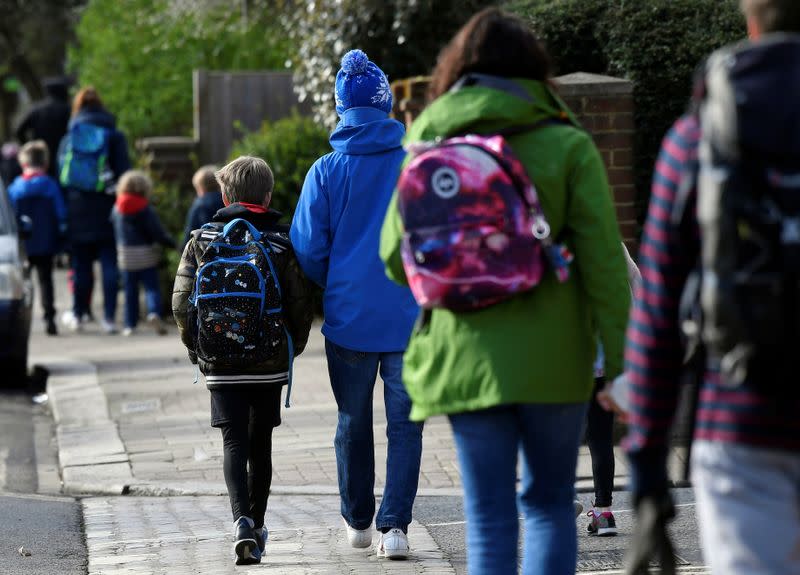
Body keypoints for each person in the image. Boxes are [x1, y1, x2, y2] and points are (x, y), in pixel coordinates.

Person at [380, 8, 631, 574]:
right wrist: (619, 363)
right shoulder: (567, 142)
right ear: (534, 70)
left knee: (489, 518)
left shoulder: (428, 137)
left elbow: (395, 259)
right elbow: (605, 269)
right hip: (556, 359)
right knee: (547, 507)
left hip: (463, 357)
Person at [623, 1, 800, 573]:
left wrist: (648, 471)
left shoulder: (696, 137)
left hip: (739, 426)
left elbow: (656, 317)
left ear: (751, 23)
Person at [290, 49, 423, 559]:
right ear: (386, 105)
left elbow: (307, 248)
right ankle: (395, 528)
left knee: (352, 420)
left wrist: (336, 283)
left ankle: (358, 520)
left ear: (342, 107)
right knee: (406, 425)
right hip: (410, 317)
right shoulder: (413, 166)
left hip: (348, 318)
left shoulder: (326, 170)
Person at [173, 156, 313, 566]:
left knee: (233, 441)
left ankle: (240, 523)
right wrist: (291, 348)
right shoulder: (282, 242)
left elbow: (181, 303)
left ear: (223, 194)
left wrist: (198, 349)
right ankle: (259, 523)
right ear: (267, 196)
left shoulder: (202, 239)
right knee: (261, 443)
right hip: (268, 361)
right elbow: (300, 304)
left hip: (220, 361)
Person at [58, 87, 130, 333]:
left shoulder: (70, 136)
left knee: (81, 265)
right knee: (109, 262)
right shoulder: (114, 135)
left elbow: (62, 174)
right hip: (107, 206)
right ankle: (109, 318)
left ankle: (78, 314)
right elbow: (124, 174)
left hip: (77, 207)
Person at [584, 243, 641, 537]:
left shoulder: (552, 239)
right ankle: (604, 512)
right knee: (600, 438)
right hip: (605, 359)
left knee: (553, 435)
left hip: (564, 360)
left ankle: (554, 501)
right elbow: (638, 283)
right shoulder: (611, 244)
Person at [7, 140, 66, 335]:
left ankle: (20, 320)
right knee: (46, 280)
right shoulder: (50, 186)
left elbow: (9, 216)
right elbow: (61, 213)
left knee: (23, 283)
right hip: (47, 241)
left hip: (23, 243)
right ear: (45, 163)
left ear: (23, 163)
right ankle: (50, 317)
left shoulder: (15, 189)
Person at [110, 170, 175, 336]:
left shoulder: (117, 208)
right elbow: (156, 232)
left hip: (125, 255)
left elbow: (113, 229)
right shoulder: (145, 208)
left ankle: (129, 324)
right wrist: (170, 243)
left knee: (130, 290)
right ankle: (154, 312)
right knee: (151, 287)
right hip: (145, 254)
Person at [15, 77, 71, 180]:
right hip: (63, 156)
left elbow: (19, 131)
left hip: (40, 157)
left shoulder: (37, 109)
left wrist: (30, 145)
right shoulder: (67, 109)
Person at [183, 164, 225, 246]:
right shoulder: (225, 201)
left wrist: (182, 249)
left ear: (200, 188)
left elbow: (190, 230)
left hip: (204, 247)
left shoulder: (199, 205)